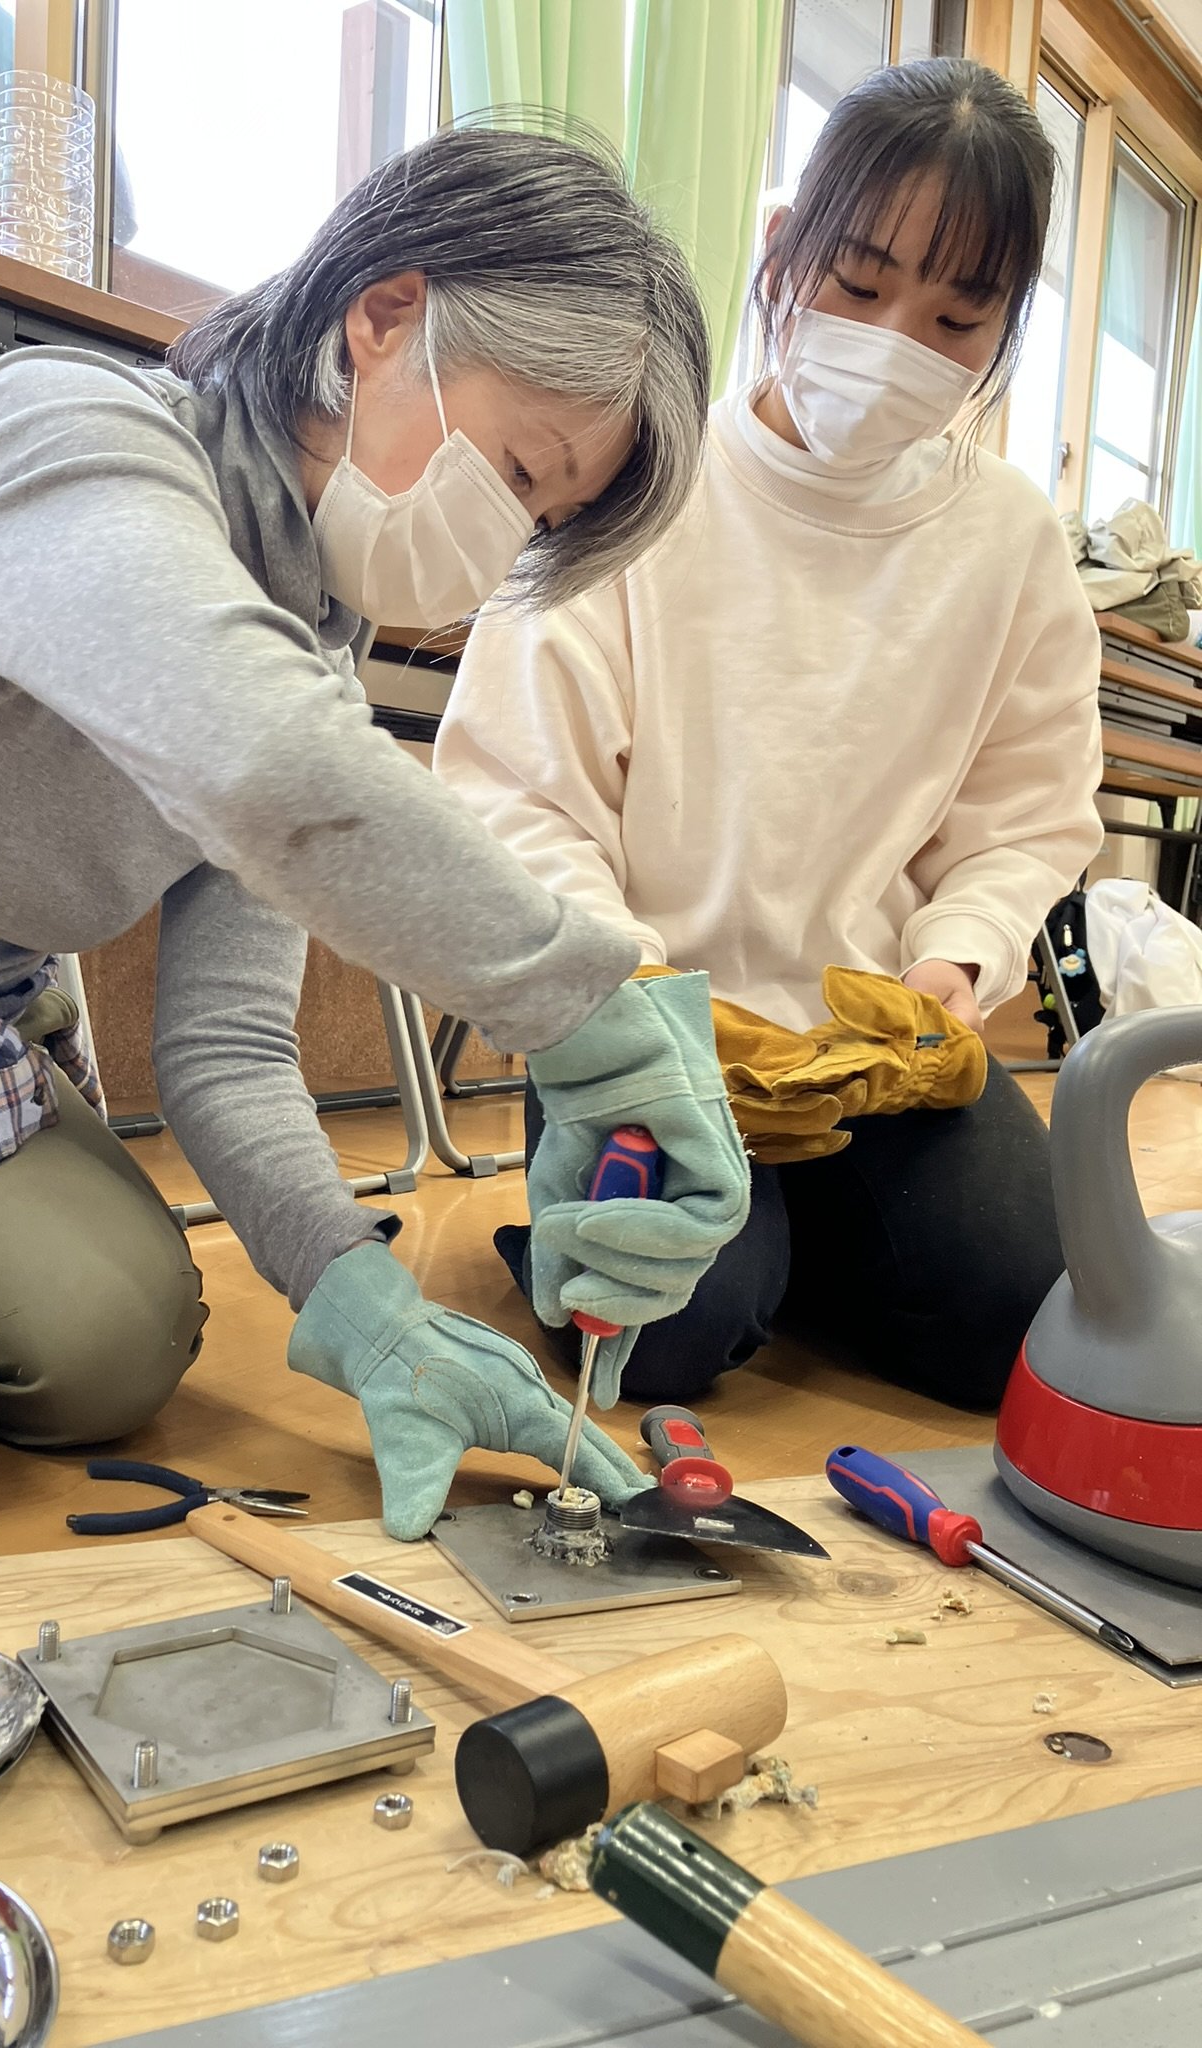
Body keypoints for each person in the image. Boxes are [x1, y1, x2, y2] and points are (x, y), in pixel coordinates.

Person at [0, 125, 751, 1534]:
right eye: (517, 467)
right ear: (383, 317)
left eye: (540, 518)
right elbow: (261, 759)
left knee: (113, 1347)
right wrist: (582, 1013)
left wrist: (370, 1310)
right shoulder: (66, 431)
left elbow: (224, 1043)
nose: (500, 544)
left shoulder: (303, 636)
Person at [434, 60, 1104, 1416]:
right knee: (661, 1342)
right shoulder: (640, 481)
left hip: (874, 1047)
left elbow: (1029, 815)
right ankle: (733, 1255)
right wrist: (626, 996)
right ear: (784, 247)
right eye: (857, 285)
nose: (895, 342)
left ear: (1005, 327)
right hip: (648, 1024)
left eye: (956, 319)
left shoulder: (1011, 542)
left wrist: (956, 956)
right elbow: (517, 796)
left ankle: (786, 1244)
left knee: (1025, 1324)